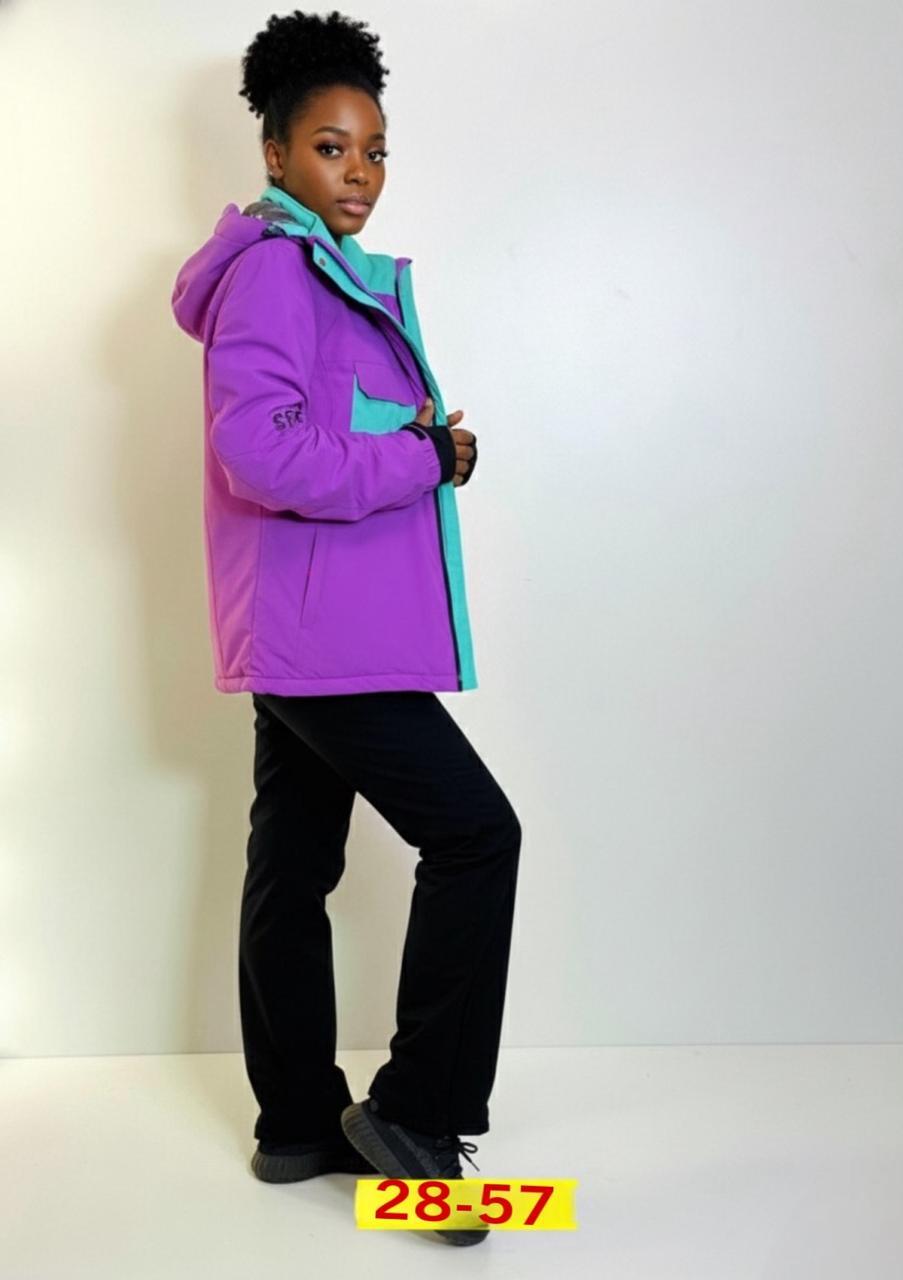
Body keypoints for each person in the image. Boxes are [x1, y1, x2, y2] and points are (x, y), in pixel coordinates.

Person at [170, 9, 521, 1247]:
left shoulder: (310, 268)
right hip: (322, 637)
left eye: (373, 151)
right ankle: (415, 1115)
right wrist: (422, 456)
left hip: (300, 627)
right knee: (476, 832)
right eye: (330, 147)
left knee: (293, 862)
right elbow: (264, 452)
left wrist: (417, 441)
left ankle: (297, 1123)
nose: (358, 173)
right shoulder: (281, 268)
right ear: (274, 154)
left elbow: (320, 426)